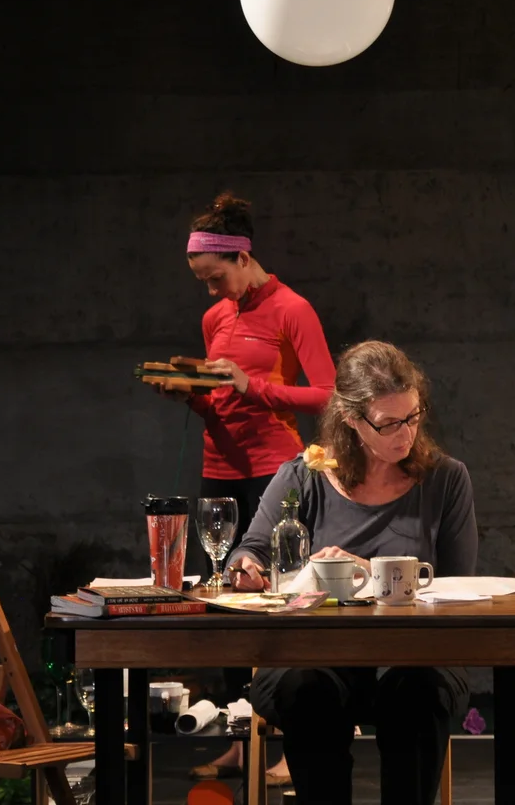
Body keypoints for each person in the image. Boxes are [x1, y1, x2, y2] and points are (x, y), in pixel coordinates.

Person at [226, 340, 478, 805]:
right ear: (350, 418)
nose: (405, 433)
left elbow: (458, 588)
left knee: (419, 695)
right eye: (388, 423)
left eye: (413, 416)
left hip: (416, 654)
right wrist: (246, 566)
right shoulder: (305, 475)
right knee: (306, 690)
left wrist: (373, 574)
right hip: (316, 652)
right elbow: (251, 549)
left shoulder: (445, 479)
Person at [160, 192, 336, 784]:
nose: (211, 291)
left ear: (241, 256)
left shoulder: (292, 310)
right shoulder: (216, 318)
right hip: (220, 468)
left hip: (275, 470)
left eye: (216, 277)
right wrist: (191, 396)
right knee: (226, 605)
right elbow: (221, 405)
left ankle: (286, 745)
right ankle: (242, 738)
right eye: (203, 282)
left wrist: (253, 386)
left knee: (277, 602)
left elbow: (329, 395)